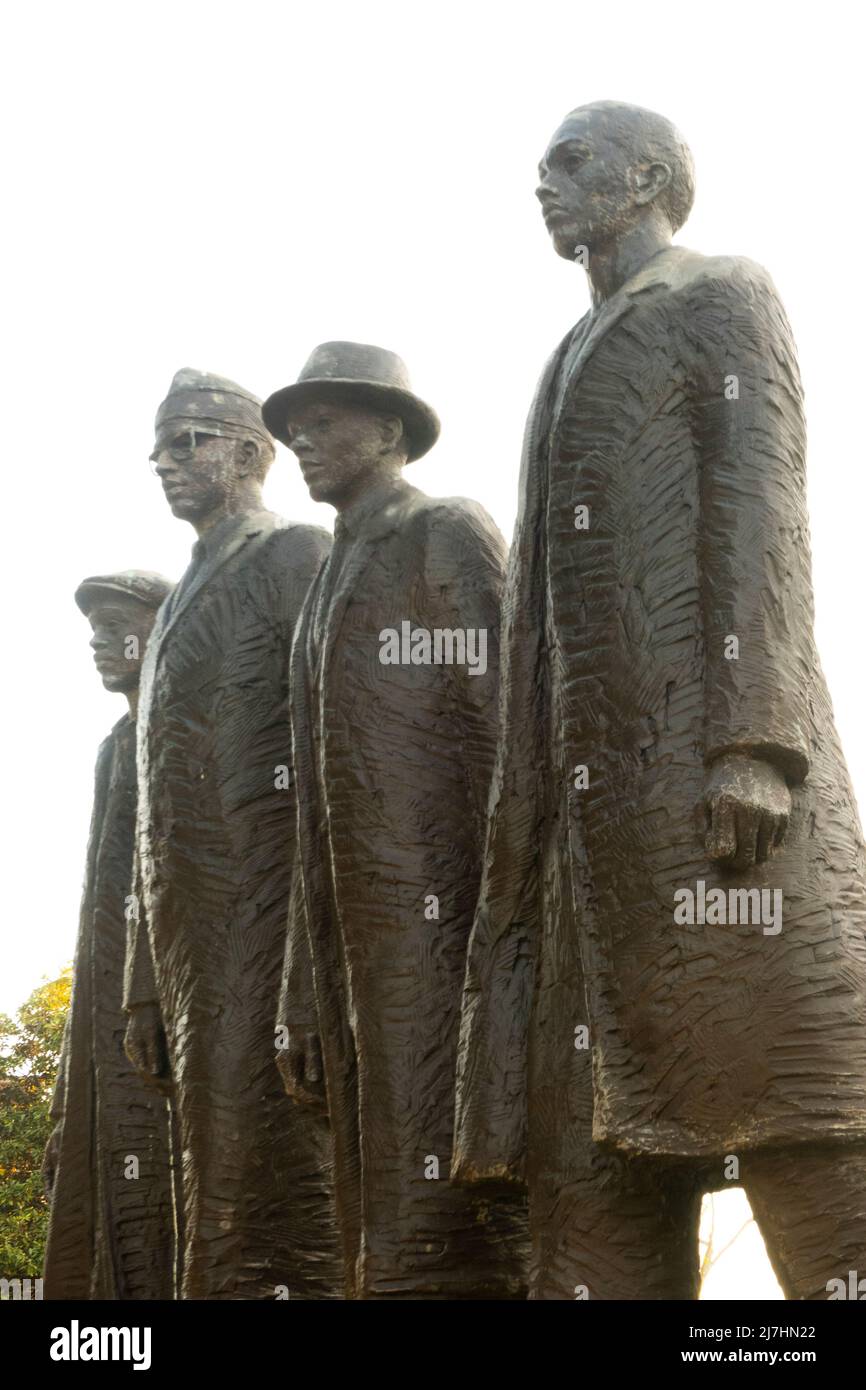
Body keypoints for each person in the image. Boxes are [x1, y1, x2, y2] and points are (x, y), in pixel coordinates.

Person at [452, 101, 866, 1300]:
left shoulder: (716, 295)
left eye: (569, 162)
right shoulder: (562, 358)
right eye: (537, 165)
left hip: (715, 798)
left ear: (647, 178)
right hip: (589, 850)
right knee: (592, 1186)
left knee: (803, 1122)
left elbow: (757, 513)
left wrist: (755, 742)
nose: (543, 183)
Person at [264, 342, 527, 1298]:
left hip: (447, 926)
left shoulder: (443, 532)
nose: (302, 440)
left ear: (389, 430)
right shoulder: (325, 583)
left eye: (325, 421)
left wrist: (511, 938)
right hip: (347, 952)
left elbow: (509, 729)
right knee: (372, 1210)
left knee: (449, 1196)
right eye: (295, 428)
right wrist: (299, 983)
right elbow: (309, 824)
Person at [124, 368, 339, 1299]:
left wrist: (311, 947)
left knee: (291, 1174)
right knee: (215, 1183)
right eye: (160, 450)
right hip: (190, 953)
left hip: (276, 922)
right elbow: (152, 817)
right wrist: (141, 984)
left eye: (189, 442)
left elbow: (339, 753)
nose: (167, 464)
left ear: (251, 452)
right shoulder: (172, 604)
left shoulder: (297, 553)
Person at [44, 570, 175, 1300]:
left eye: (115, 624)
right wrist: (68, 1094)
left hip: (170, 1003)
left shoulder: (186, 720)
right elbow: (94, 923)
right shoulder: (116, 744)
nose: (98, 642)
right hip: (109, 1013)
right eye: (91, 630)